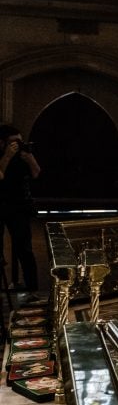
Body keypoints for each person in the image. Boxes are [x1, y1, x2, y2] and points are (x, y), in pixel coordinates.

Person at [0, 125, 42, 292]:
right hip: (1, 204)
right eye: (13, 142)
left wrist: (29, 158)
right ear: (2, 143)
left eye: (20, 141)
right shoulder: (4, 154)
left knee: (25, 248)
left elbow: (36, 172)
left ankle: (33, 289)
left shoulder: (23, 155)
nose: (18, 144)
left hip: (19, 206)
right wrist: (7, 156)